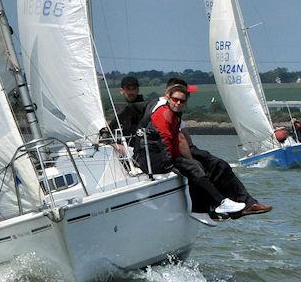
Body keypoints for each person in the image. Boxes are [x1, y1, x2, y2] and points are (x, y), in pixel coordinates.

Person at [153, 77, 272, 217]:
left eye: (184, 97)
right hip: (175, 152)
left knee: (218, 165)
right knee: (216, 166)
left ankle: (231, 206)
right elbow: (179, 139)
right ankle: (233, 205)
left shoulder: (172, 108)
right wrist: (191, 159)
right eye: (179, 96)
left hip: (182, 149)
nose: (182, 100)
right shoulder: (164, 109)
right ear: (169, 93)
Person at [137, 82, 246, 218]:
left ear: (186, 102)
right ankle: (220, 202)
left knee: (196, 165)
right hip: (152, 159)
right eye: (175, 99)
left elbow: (175, 141)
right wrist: (171, 163)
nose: (178, 103)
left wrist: (181, 159)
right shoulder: (163, 113)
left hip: (159, 155)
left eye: (181, 101)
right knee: (193, 167)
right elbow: (166, 140)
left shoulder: (175, 114)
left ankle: (200, 209)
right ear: (168, 98)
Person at [103, 75, 147, 140]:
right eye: (128, 89)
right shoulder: (126, 108)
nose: (131, 92)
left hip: (142, 144)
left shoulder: (144, 106)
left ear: (138, 90)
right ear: (121, 91)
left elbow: (124, 113)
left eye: (134, 89)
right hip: (128, 145)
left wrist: (107, 130)